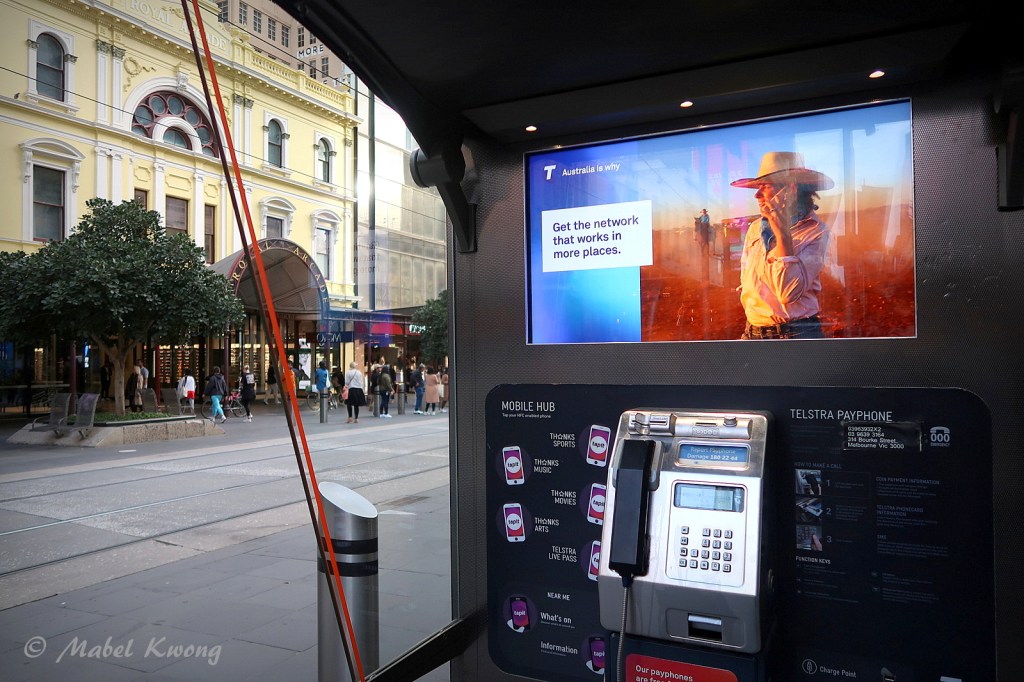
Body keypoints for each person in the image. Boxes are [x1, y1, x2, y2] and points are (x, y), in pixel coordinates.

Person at [731, 151, 833, 340]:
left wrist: (782, 232)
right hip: (752, 332)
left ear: (790, 190)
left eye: (764, 186)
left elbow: (787, 292)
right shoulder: (756, 228)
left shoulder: (816, 232)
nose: (757, 194)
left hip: (796, 334)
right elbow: (746, 275)